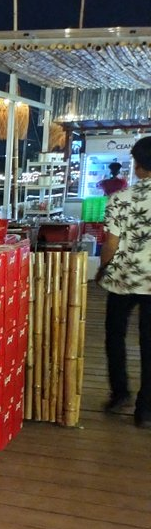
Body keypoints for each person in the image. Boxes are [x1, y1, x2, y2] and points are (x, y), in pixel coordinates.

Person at [97, 136, 151, 428]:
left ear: (139, 165)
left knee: (115, 336)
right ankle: (146, 409)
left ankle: (120, 393)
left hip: (122, 280)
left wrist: (102, 270)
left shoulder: (121, 199)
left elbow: (110, 245)